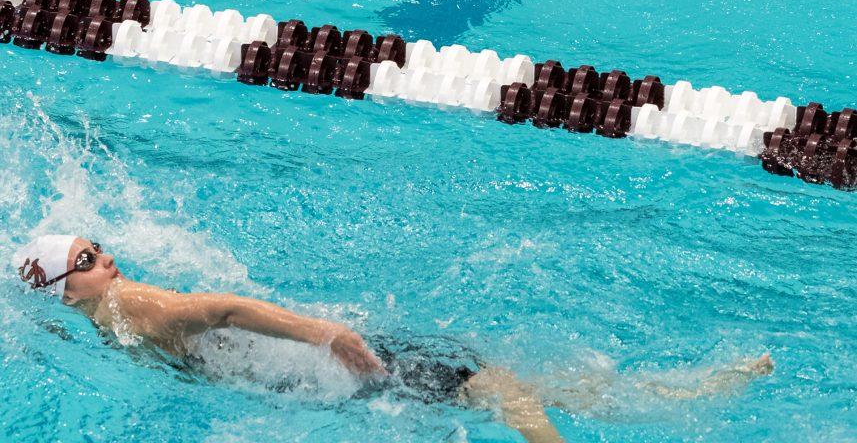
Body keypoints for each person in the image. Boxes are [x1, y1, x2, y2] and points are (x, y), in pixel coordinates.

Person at [13, 233, 773, 440]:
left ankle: (684, 392)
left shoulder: (106, 326)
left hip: (327, 387)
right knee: (503, 388)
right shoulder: (136, 301)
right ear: (61, 287)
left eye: (99, 245)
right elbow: (220, 308)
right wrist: (328, 331)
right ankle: (682, 392)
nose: (106, 259)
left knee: (522, 393)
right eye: (85, 260)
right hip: (342, 362)